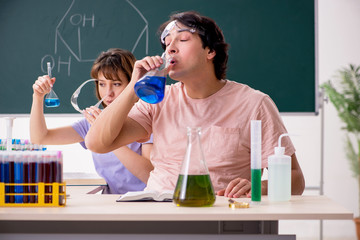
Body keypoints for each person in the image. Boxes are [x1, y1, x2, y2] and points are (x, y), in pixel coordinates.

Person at [85, 12, 305, 198]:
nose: (170, 48)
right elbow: (97, 143)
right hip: (159, 211)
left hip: (218, 214)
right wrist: (133, 86)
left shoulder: (254, 104)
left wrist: (259, 186)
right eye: (167, 42)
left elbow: (295, 180)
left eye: (182, 40)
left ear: (210, 51)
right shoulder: (158, 101)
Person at [30, 48, 153, 194]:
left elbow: (149, 175)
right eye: (102, 84)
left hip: (145, 202)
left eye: (117, 84)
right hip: (113, 203)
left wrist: (105, 135)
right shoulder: (93, 122)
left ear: (132, 84)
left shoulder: (145, 117)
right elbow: (40, 138)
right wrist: (37, 97)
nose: (108, 93)